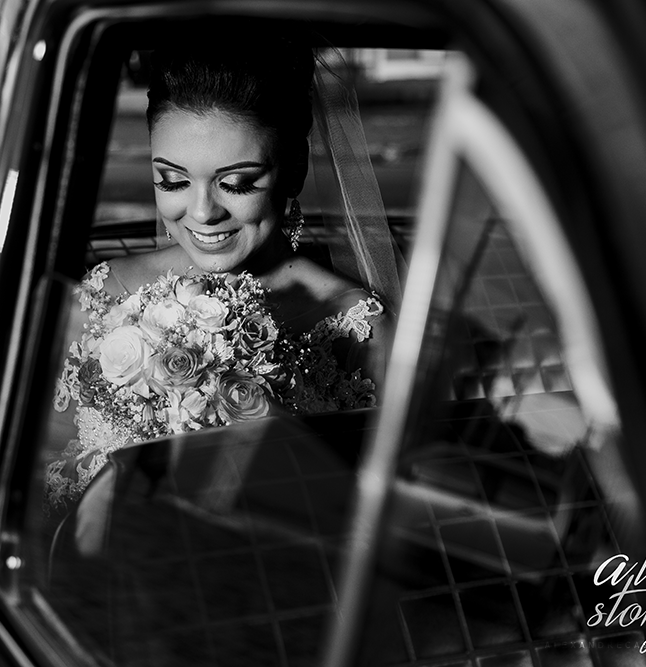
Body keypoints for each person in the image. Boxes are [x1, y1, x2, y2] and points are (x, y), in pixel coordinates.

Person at [45, 39, 399, 514]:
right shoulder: (104, 293)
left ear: (294, 170)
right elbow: (45, 472)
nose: (202, 212)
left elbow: (373, 510)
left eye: (236, 184)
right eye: (172, 181)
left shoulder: (355, 326)